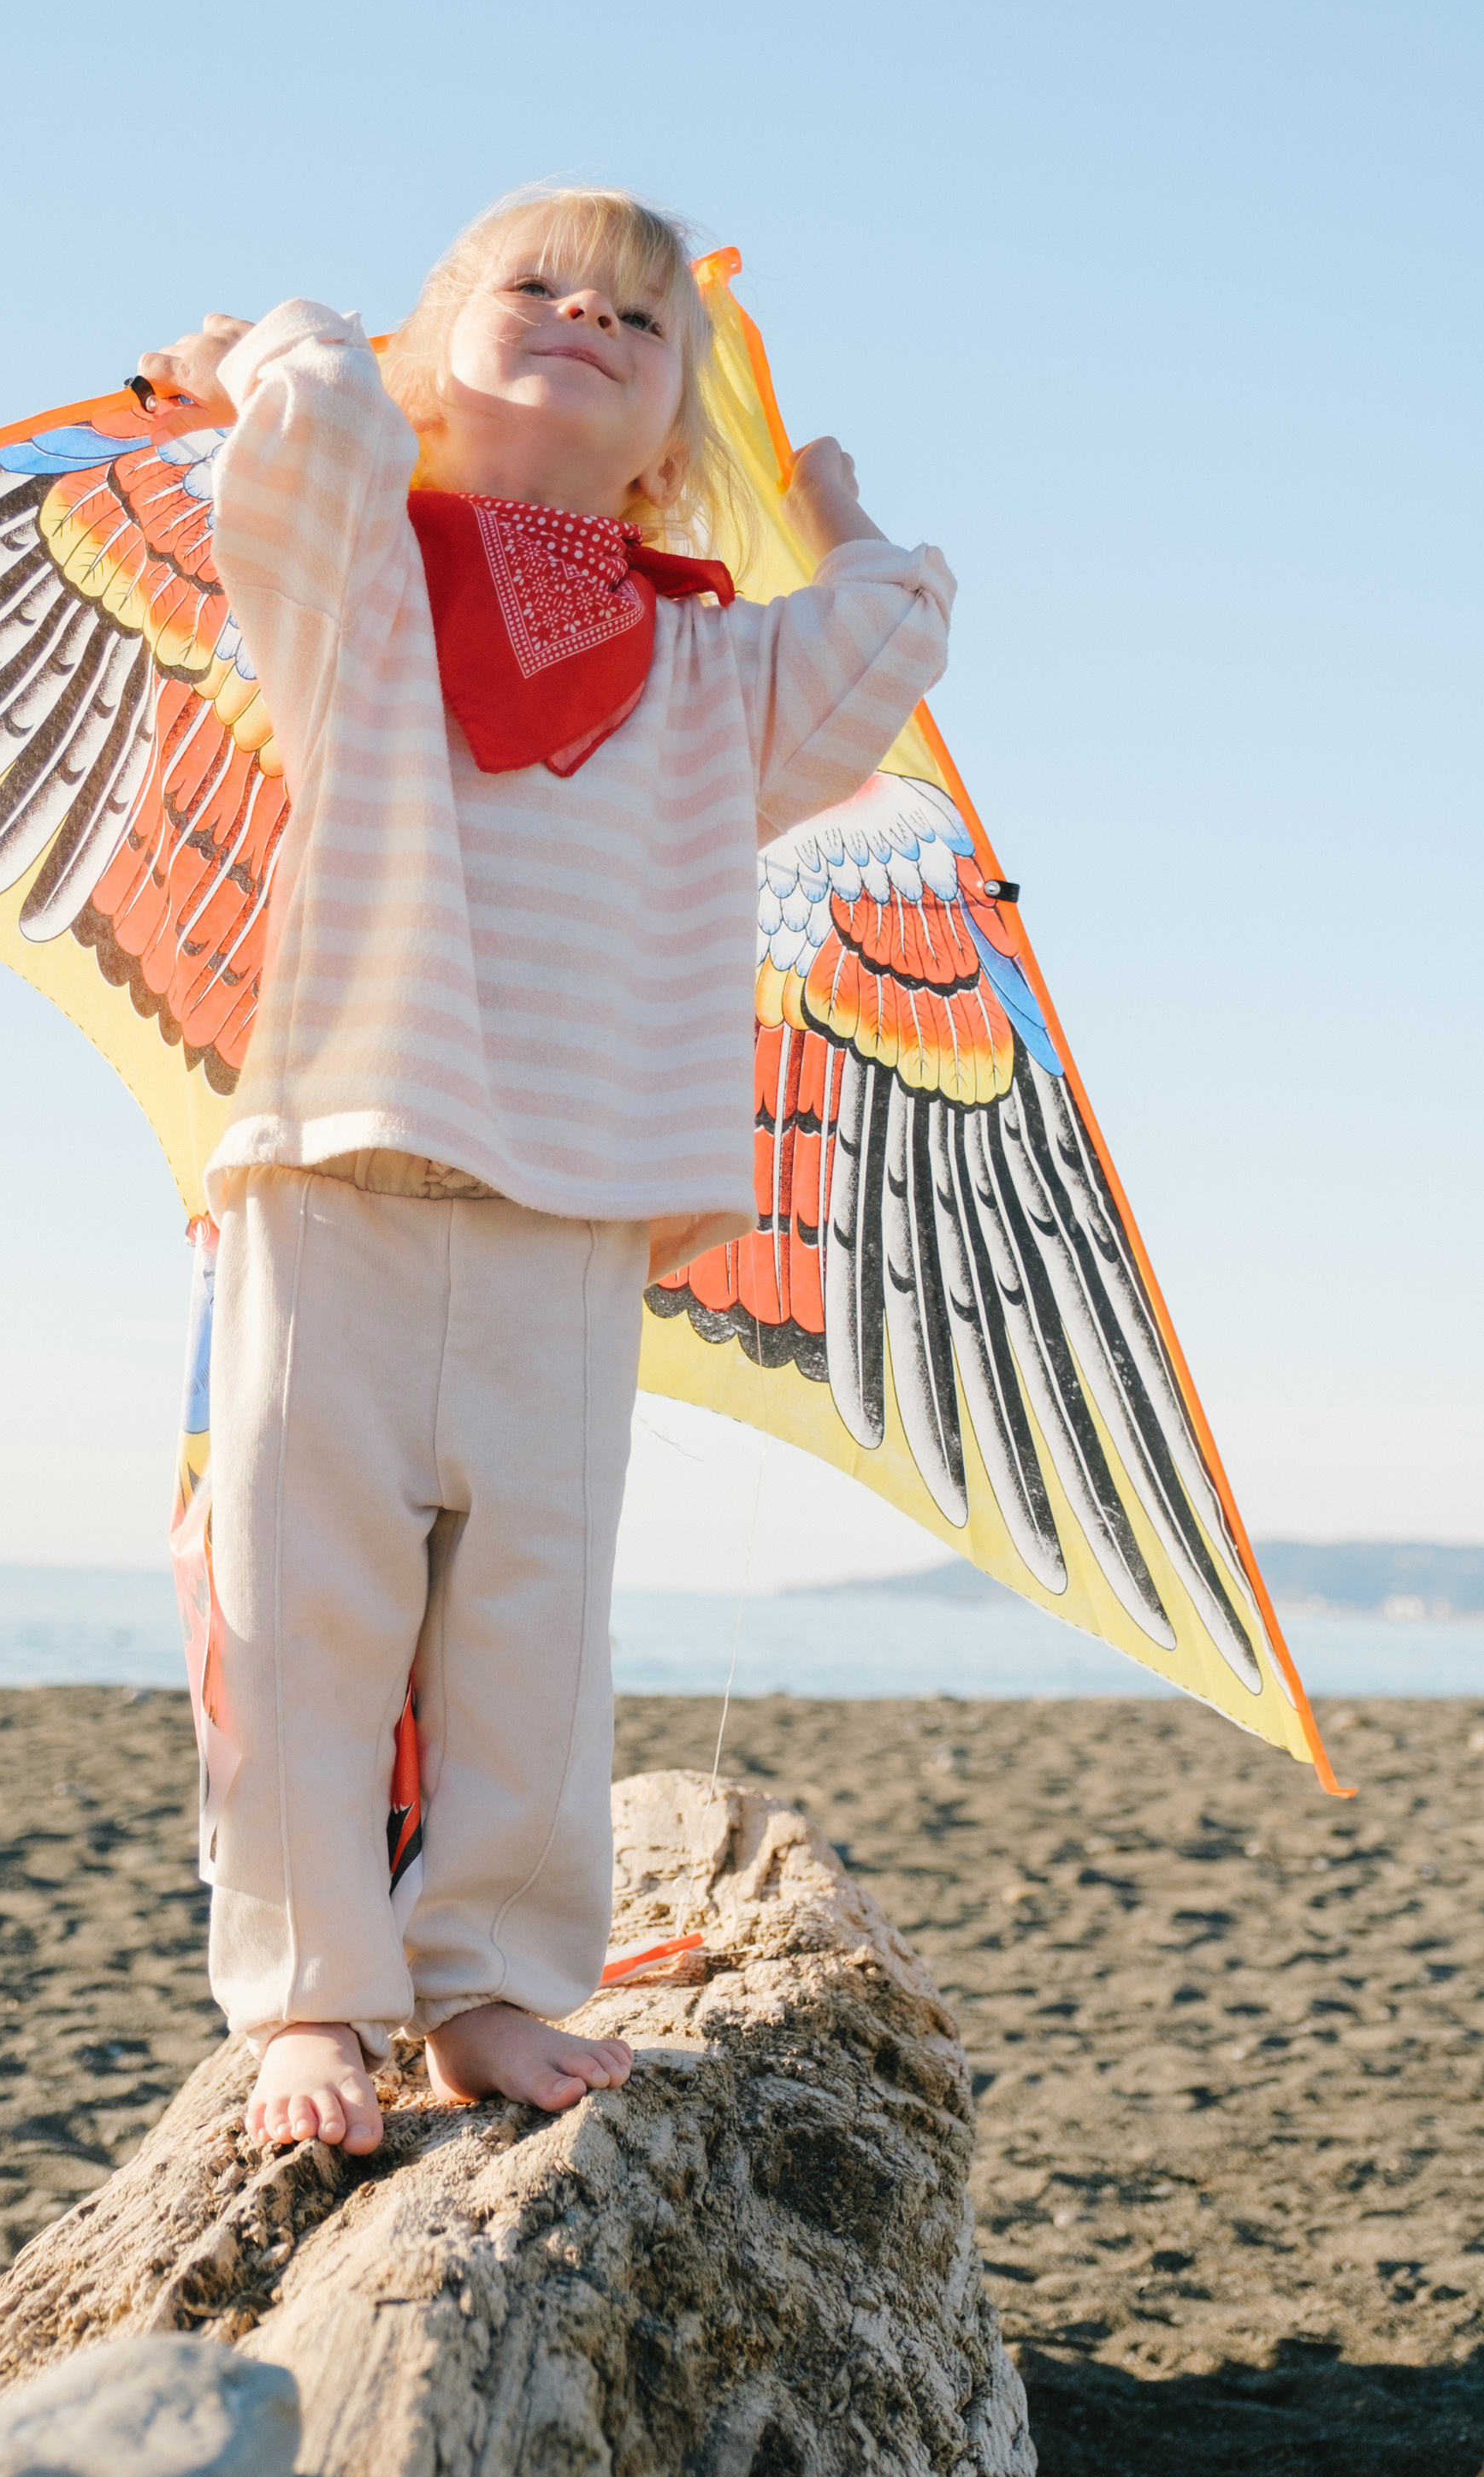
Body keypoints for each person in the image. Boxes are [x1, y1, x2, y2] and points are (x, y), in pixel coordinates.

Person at [137, 188, 954, 2155]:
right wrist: (268, 342)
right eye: (532, 285)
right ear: (427, 352)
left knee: (527, 1628)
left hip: (572, 1217)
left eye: (637, 318)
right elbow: (323, 423)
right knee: (299, 1612)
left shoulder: (703, 673)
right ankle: (309, 1998)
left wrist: (826, 504)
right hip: (338, 1170)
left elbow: (880, 640)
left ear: (675, 435)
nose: (586, 313)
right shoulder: (356, 578)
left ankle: (486, 1985)